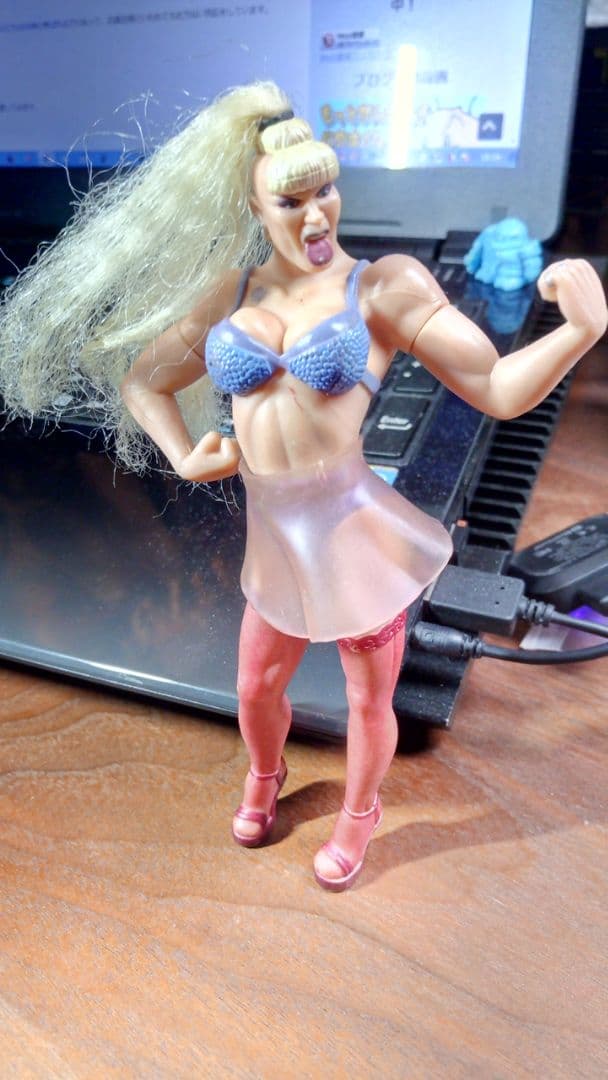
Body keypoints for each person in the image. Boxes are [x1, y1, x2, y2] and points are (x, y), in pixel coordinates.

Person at [1, 82, 606, 891]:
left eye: (325, 192)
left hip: (353, 534)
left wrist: (579, 331)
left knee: (366, 700)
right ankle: (265, 773)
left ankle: (360, 811)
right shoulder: (233, 292)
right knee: (254, 686)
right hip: (275, 539)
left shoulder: (383, 287)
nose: (317, 215)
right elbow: (145, 381)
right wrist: (183, 453)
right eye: (291, 201)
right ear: (256, 207)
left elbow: (496, 388)